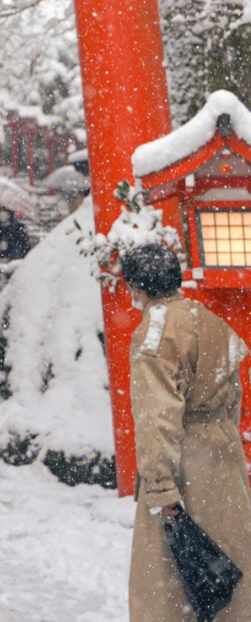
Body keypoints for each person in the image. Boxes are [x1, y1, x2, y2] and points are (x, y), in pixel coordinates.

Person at [125, 242, 251, 622]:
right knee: (229, 581)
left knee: (169, 591)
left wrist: (161, 488)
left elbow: (156, 416)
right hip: (224, 465)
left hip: (185, 469)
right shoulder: (208, 319)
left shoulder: (156, 333)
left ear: (137, 286)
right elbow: (235, 400)